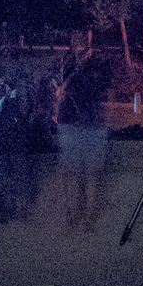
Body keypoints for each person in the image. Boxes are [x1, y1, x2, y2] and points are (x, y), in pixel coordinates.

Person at [53, 47, 112, 232]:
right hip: (91, 124)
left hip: (74, 125)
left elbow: (59, 94)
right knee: (89, 174)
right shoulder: (98, 69)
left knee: (74, 174)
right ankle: (84, 219)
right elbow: (106, 95)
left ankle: (73, 216)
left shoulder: (71, 70)